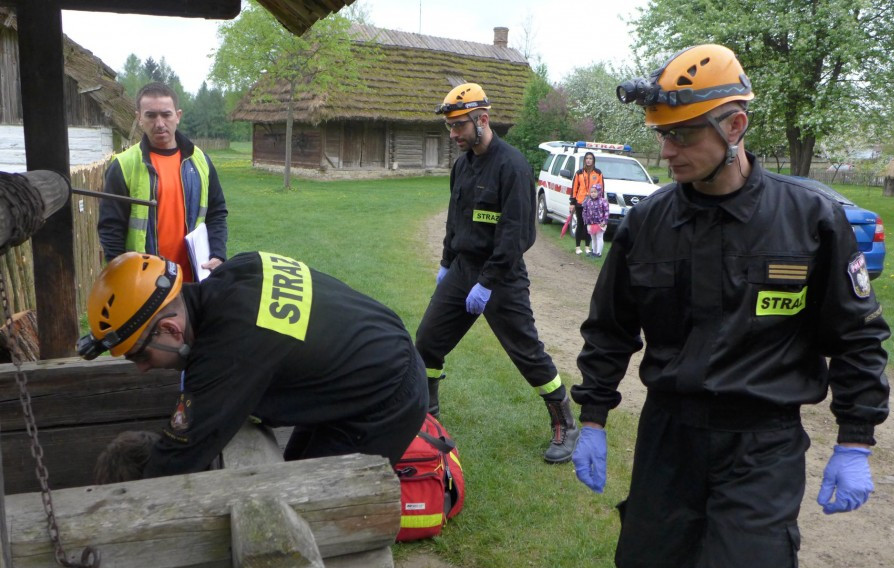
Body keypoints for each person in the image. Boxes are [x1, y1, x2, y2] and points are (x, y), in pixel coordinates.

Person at [569, 44, 890, 568]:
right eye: (662, 134)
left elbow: (856, 334)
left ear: (735, 126)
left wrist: (855, 440)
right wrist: (593, 418)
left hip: (761, 444)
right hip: (669, 438)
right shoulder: (648, 223)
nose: (667, 151)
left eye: (682, 135)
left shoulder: (809, 219)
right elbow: (609, 328)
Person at [76, 251, 428, 477]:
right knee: (293, 471)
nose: (141, 368)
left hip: (387, 395)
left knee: (314, 506)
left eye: (140, 354)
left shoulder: (227, 350)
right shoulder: (238, 270)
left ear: (170, 329)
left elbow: (179, 456)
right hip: (369, 356)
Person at [417, 82, 578, 464]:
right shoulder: (462, 165)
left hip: (501, 276)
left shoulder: (512, 166)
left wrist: (487, 283)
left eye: (459, 126)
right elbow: (455, 220)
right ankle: (427, 413)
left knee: (526, 352)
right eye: (450, 127)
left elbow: (517, 233)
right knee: (427, 342)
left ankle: (565, 423)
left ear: (483, 120)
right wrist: (446, 262)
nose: (453, 134)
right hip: (462, 270)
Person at [99, 82, 228, 282]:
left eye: (166, 114)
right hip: (145, 282)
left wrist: (218, 253)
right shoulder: (123, 165)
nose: (159, 123)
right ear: (139, 118)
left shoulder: (200, 161)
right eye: (151, 115)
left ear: (178, 116)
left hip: (195, 279)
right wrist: (123, 276)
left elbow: (216, 212)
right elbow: (111, 227)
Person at [569, 152, 604, 255]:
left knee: (589, 225)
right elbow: (574, 188)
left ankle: (587, 247)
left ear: (593, 160)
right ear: (584, 160)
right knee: (580, 224)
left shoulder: (598, 173)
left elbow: (601, 188)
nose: (588, 160)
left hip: (593, 203)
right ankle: (577, 247)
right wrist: (572, 202)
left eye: (590, 158)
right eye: (587, 158)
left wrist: (600, 202)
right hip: (580, 202)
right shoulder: (579, 173)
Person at [580, 182, 608, 257]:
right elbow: (584, 211)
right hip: (591, 223)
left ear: (599, 192)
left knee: (599, 237)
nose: (593, 194)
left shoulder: (603, 201)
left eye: (595, 192)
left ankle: (599, 253)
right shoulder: (588, 201)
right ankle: (594, 251)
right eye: (591, 192)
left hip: (600, 223)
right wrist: (585, 219)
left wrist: (604, 221)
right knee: (593, 238)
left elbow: (606, 212)